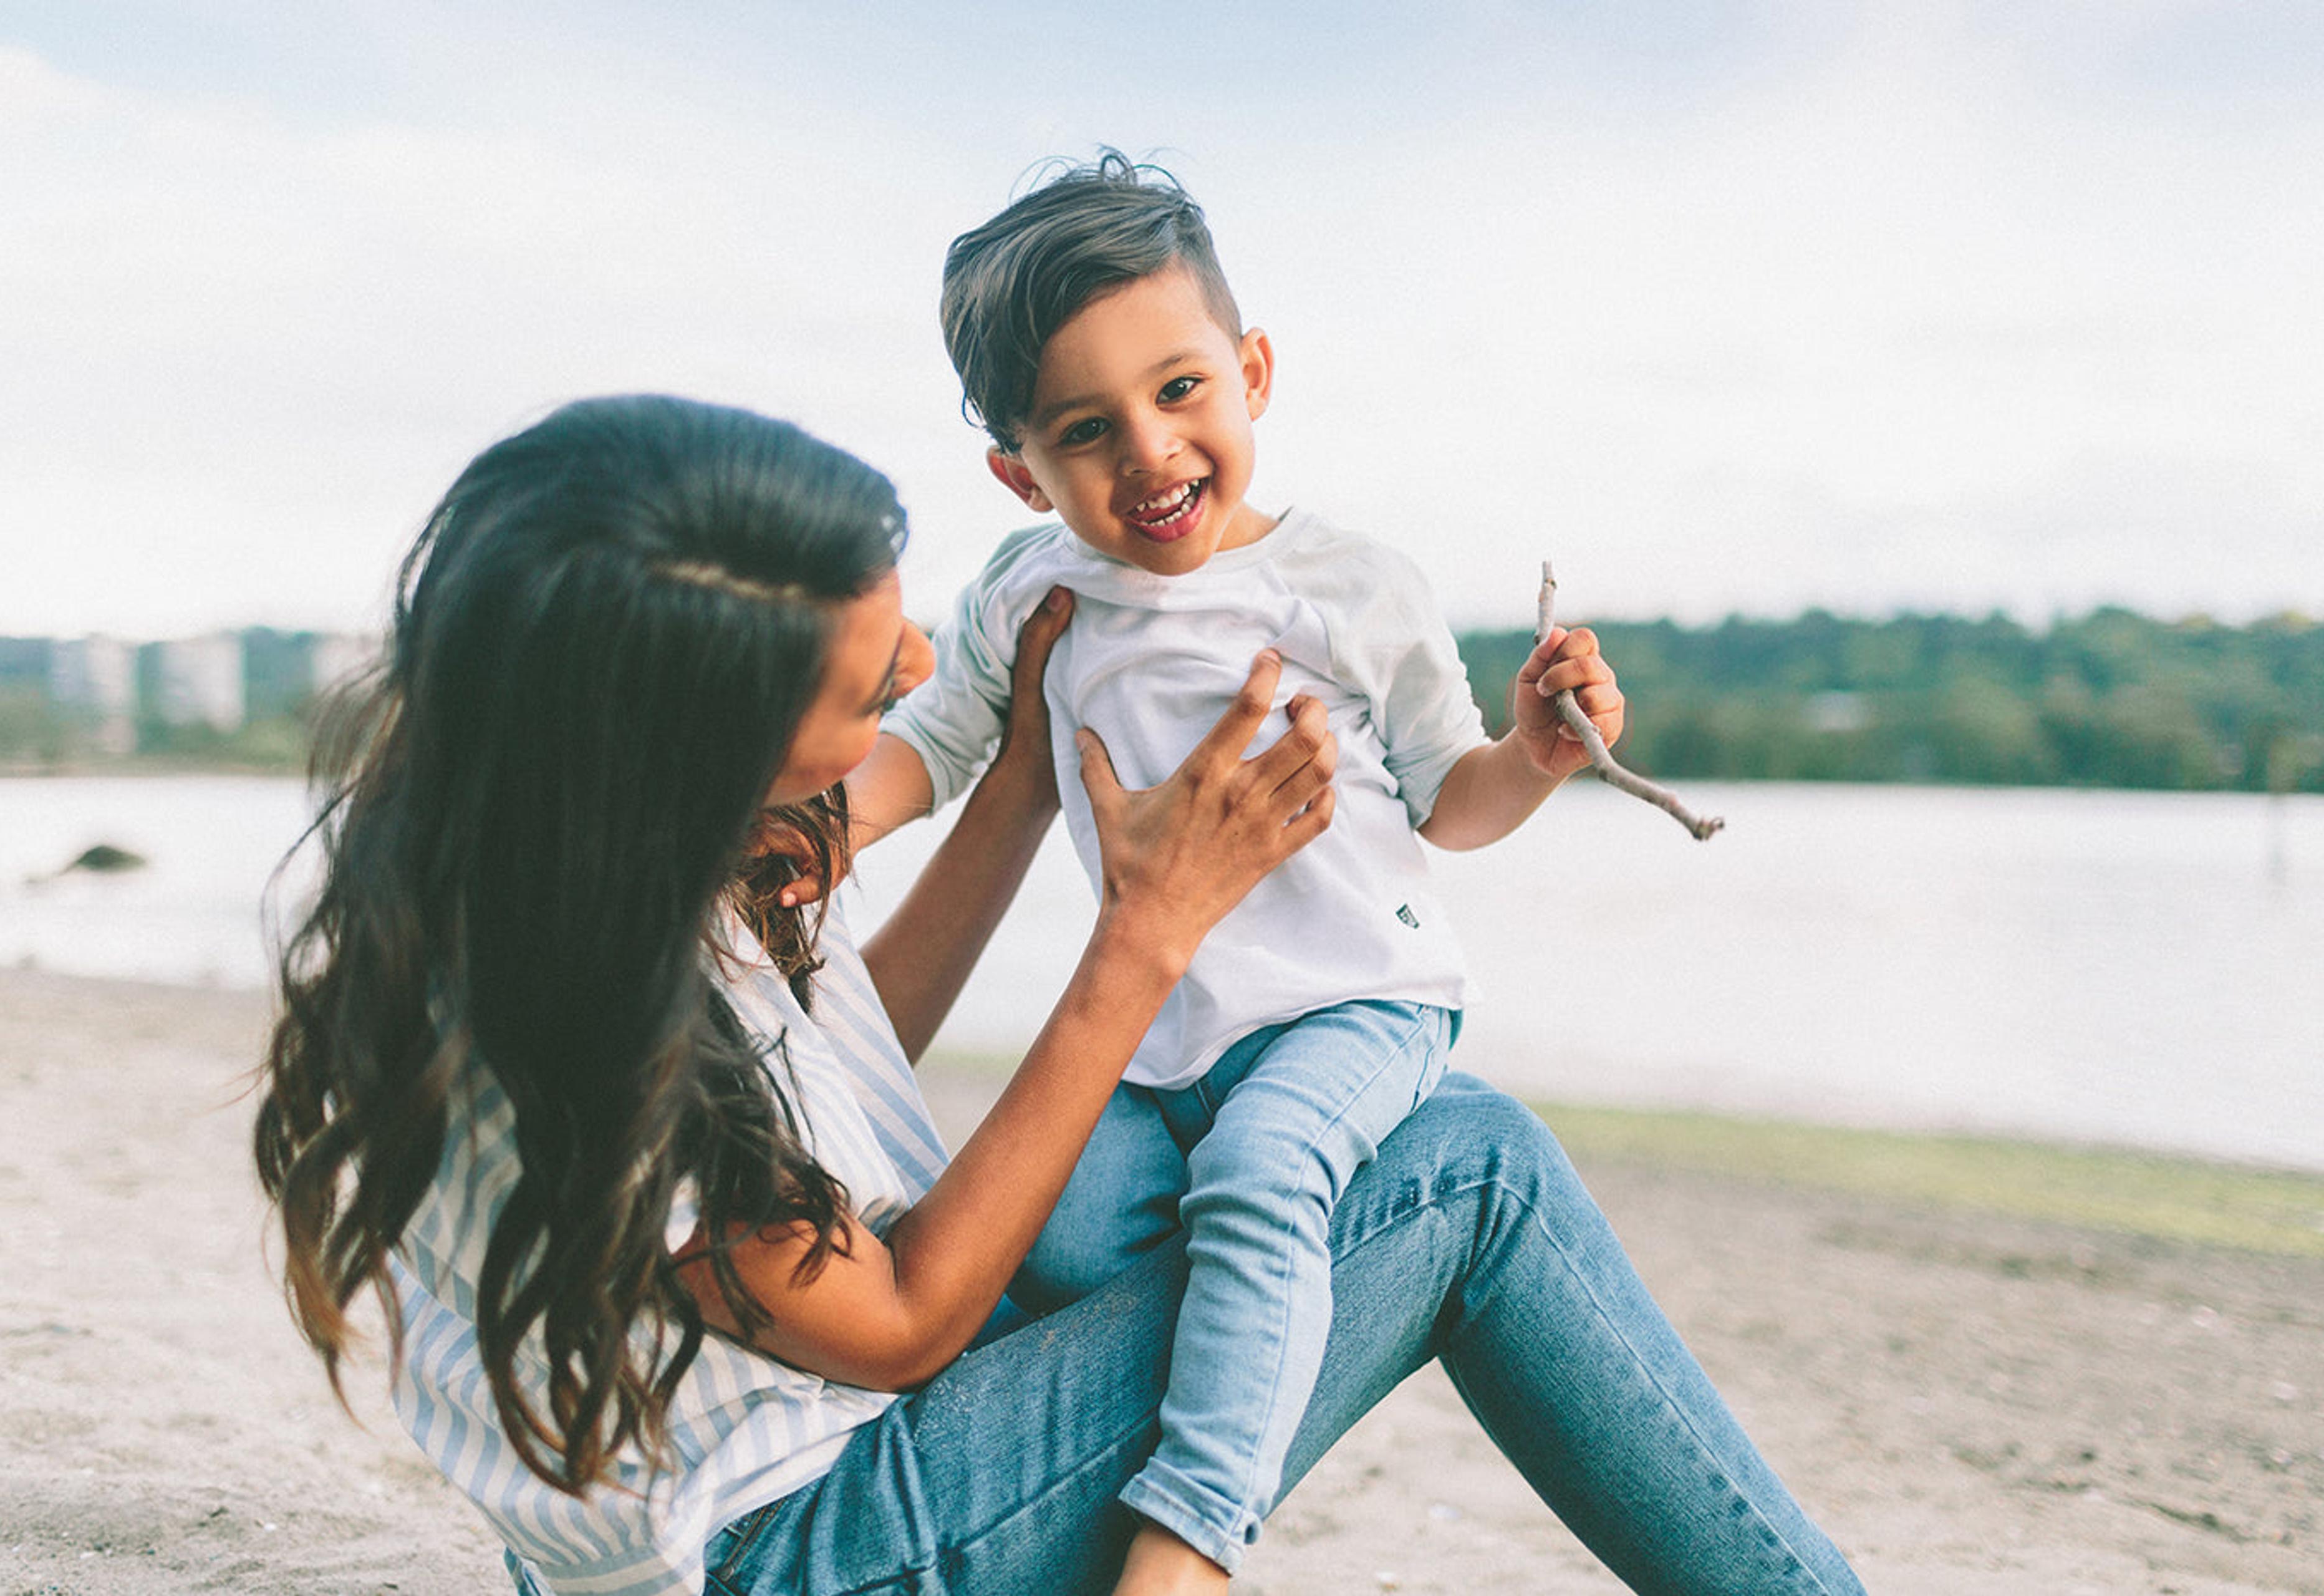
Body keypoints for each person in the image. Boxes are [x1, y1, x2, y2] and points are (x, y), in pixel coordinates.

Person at [256, 394, 1863, 1595]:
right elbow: (895, 1327)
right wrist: (1148, 930)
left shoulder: (548, 877)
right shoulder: (568, 1026)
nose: (906, 689)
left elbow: (803, 1052)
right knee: (1469, 1167)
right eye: (864, 691)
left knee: (1230, 1182)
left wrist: (1020, 778)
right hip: (804, 1553)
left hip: (775, 1478)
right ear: (687, 743)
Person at [840, 154, 1641, 1576]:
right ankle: (1024, 1494)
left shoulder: (1348, 584)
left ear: (1253, 370)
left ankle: (1197, 1526)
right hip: (1157, 1046)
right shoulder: (1034, 591)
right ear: (1017, 468)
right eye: (1086, 429)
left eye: (1180, 392)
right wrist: (801, 834)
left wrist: (1534, 754)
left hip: (1354, 1003)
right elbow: (936, 744)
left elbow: (1450, 800)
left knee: (1270, 1173)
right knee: (1055, 1230)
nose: (1149, 452)